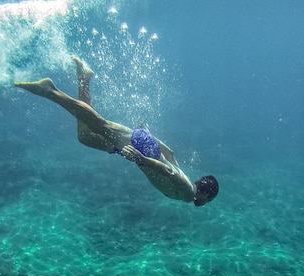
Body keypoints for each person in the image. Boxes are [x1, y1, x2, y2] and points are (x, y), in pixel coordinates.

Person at [15, 57, 219, 207]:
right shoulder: (187, 193)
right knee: (99, 124)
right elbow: (168, 170)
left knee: (85, 136)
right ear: (206, 197)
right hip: (143, 152)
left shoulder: (187, 182)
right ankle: (50, 91)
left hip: (145, 149)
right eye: (209, 201)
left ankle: (84, 78)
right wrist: (142, 158)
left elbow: (171, 154)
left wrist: (148, 134)